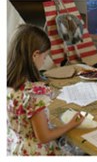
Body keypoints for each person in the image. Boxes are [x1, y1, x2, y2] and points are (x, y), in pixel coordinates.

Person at [7, 25, 87, 155]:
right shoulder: (34, 94)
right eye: (44, 57)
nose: (44, 62)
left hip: (14, 147)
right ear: (35, 55)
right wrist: (70, 125)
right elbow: (44, 137)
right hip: (35, 152)